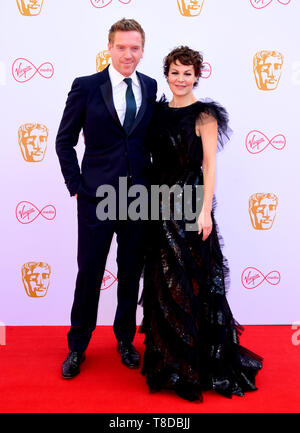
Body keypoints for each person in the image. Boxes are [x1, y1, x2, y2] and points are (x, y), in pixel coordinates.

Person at [140, 46, 263, 401]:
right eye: (175, 72)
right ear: (166, 75)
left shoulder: (205, 115)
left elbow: (209, 166)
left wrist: (205, 210)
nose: (181, 79)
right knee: (164, 282)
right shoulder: (157, 112)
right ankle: (169, 363)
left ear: (198, 75)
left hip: (190, 204)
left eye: (187, 73)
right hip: (158, 206)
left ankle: (196, 365)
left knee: (193, 281)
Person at [55, 18, 157, 378]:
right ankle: (77, 346)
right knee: (90, 273)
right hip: (96, 198)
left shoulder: (150, 84)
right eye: (121, 47)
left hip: (138, 199)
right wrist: (77, 186)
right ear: (109, 48)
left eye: (135, 48)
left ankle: (125, 340)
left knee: (131, 273)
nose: (128, 54)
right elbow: (63, 141)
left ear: (142, 50)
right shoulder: (86, 87)